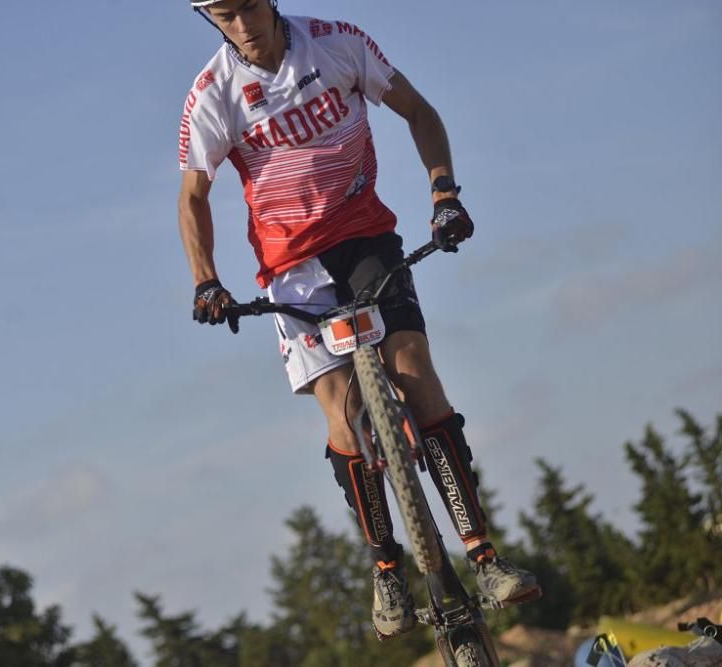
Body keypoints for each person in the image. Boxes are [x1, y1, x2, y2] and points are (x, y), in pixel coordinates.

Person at [177, 0, 540, 638]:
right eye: (225, 16)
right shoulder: (213, 93)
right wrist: (206, 279)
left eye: (250, 8)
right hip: (292, 272)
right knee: (341, 404)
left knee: (413, 368)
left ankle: (484, 555)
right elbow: (193, 196)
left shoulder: (336, 42)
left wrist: (444, 194)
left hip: (367, 240)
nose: (242, 26)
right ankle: (385, 568)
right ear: (209, 19)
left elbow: (418, 112)